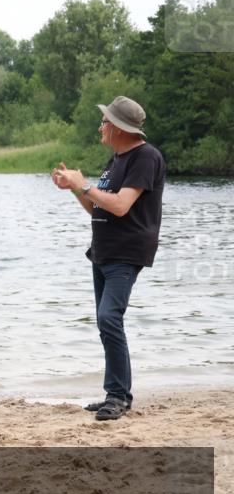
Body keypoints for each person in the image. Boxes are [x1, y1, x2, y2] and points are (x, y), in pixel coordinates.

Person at [52, 96, 166, 421]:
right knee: (106, 323)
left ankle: (118, 397)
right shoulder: (115, 160)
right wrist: (74, 188)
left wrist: (83, 183)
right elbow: (97, 206)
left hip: (126, 251)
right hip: (103, 251)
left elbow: (120, 205)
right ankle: (115, 393)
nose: (100, 126)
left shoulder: (146, 157)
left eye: (104, 122)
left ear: (117, 128)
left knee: (109, 318)